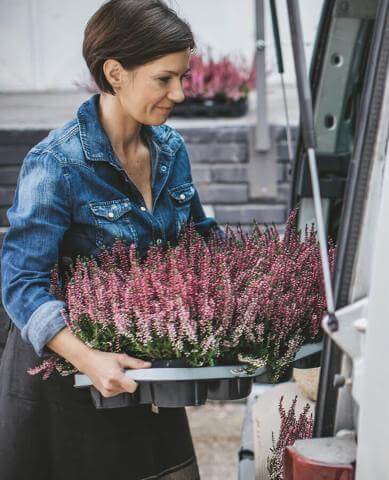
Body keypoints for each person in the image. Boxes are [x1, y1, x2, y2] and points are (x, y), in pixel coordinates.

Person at [0, 1, 219, 478]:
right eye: (165, 79)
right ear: (115, 73)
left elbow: (202, 241)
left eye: (182, 77)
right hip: (67, 377)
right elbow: (20, 282)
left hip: (146, 370)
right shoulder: (56, 164)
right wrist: (90, 358)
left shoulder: (170, 150)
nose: (179, 93)